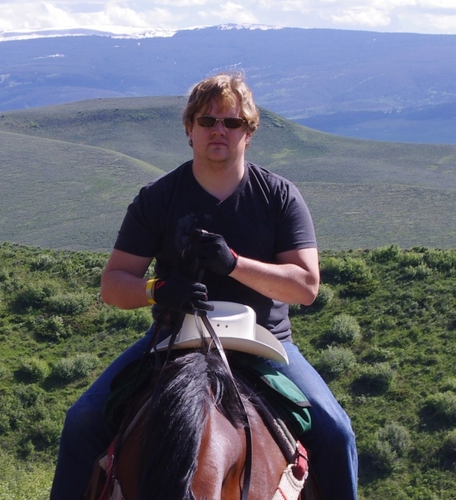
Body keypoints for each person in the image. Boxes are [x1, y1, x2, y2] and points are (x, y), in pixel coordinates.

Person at [50, 72, 358, 499]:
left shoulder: (279, 196)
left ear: (248, 133)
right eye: (207, 120)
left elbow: (305, 286)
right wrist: (158, 290)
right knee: (82, 421)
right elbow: (113, 285)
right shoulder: (157, 198)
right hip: (174, 338)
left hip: (265, 343)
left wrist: (233, 264)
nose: (219, 131)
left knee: (337, 433)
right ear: (189, 129)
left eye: (231, 123)